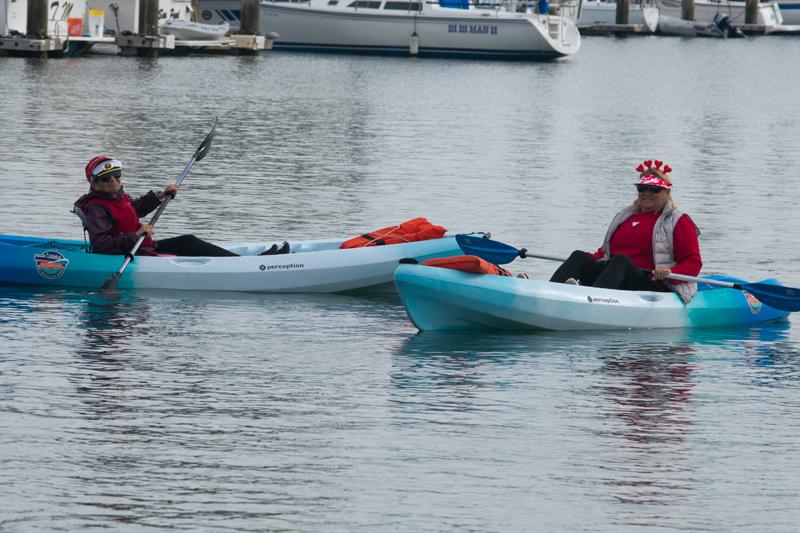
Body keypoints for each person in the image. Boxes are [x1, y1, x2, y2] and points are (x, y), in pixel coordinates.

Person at [549, 159, 702, 303]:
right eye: (642, 188)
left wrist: (669, 272)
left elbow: (693, 263)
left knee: (621, 261)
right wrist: (583, 261)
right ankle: (548, 294)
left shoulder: (679, 221)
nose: (647, 193)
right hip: (613, 277)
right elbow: (604, 253)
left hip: (652, 283)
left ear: (666, 192)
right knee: (578, 256)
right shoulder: (625, 216)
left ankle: (591, 301)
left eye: (654, 189)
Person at [74, 155, 239, 257]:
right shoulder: (96, 208)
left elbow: (133, 210)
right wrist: (137, 234)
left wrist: (160, 195)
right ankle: (243, 264)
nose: (113, 180)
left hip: (143, 247)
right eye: (106, 178)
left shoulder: (118, 197)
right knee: (190, 243)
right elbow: (102, 246)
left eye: (116, 175)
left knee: (189, 241)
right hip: (130, 254)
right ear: (94, 183)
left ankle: (240, 261)